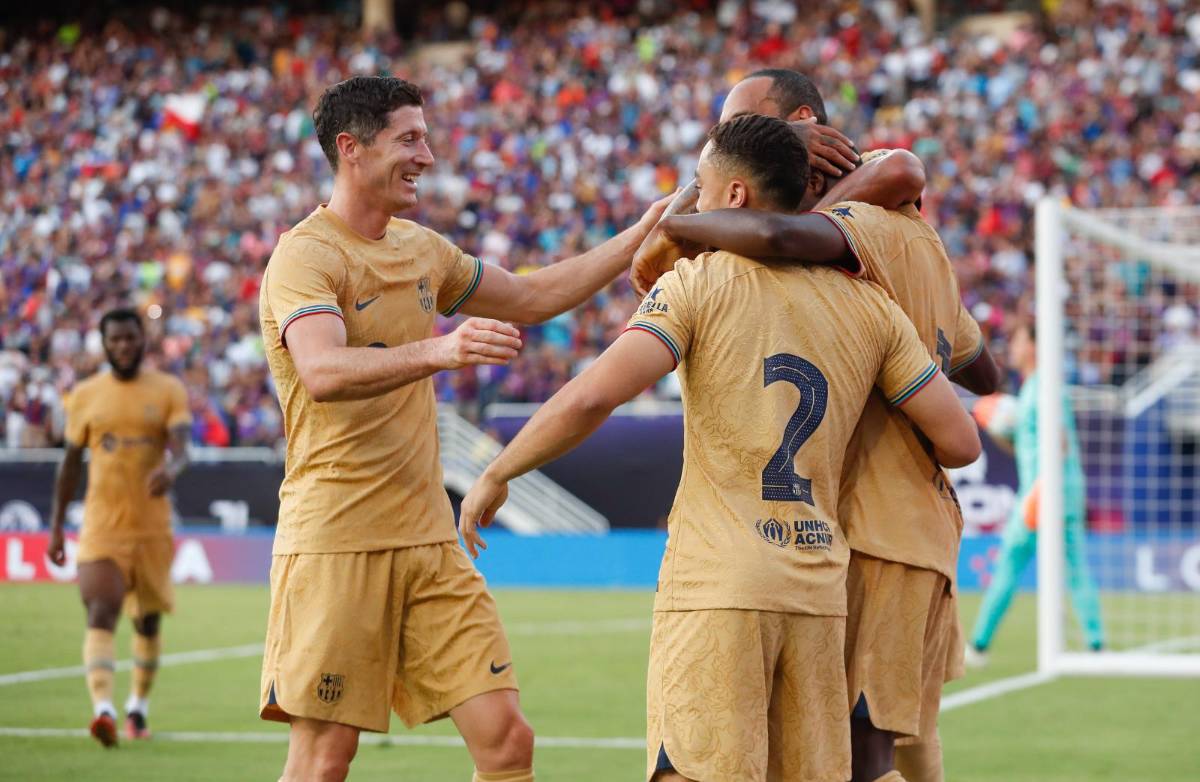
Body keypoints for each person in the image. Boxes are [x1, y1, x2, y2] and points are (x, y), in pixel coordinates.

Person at [459, 114, 981, 782]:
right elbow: (960, 441)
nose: (696, 205)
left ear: (733, 198)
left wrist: (500, 471)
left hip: (719, 585)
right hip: (819, 587)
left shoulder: (698, 284)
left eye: (702, 189)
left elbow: (593, 395)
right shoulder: (872, 308)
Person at [257, 75, 672, 782]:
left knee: (508, 742)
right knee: (325, 759)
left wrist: (636, 237)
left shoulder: (424, 250)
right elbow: (321, 372)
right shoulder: (306, 256)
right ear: (351, 149)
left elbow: (534, 295)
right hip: (336, 539)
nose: (428, 154)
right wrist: (442, 350)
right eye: (409, 139)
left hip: (428, 540)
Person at [634, 71, 1002, 782]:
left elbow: (794, 219)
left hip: (870, 526)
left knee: (852, 764)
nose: (722, 143)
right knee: (900, 750)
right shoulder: (925, 246)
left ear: (804, 124)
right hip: (919, 531)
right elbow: (981, 369)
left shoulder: (852, 230)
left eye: (740, 126)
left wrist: (693, 212)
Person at [47, 308, 192, 747]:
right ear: (104, 344)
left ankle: (137, 709)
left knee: (147, 624)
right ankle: (104, 710)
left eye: (131, 338)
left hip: (150, 529)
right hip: (101, 527)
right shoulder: (87, 395)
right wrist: (55, 528)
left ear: (142, 340)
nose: (124, 346)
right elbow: (70, 465)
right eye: (116, 340)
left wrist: (174, 469)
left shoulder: (168, 390)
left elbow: (185, 449)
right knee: (101, 610)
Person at [967, 321, 1105, 664]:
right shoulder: (1037, 388)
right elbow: (1031, 445)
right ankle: (1096, 643)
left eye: (1017, 339)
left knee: (1010, 564)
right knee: (1075, 566)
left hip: (1044, 491)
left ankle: (978, 645)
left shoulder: (1041, 387)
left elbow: (1056, 444)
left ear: (1033, 346)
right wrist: (999, 429)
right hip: (1063, 488)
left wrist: (1040, 492)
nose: (1011, 348)